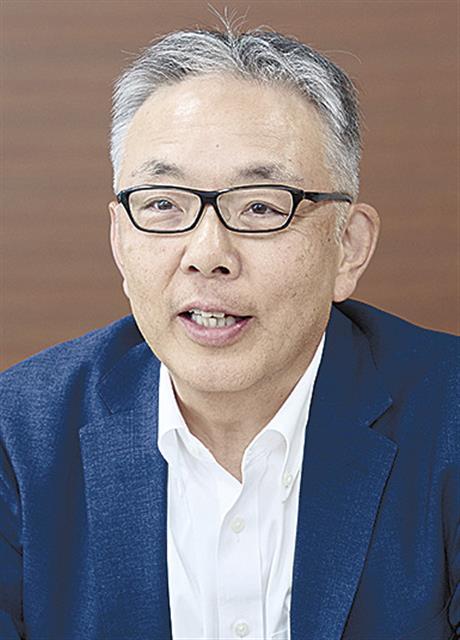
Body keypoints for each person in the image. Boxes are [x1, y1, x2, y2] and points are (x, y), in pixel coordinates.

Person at [0, 24, 458, 640]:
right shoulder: (18, 436)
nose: (207, 254)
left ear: (348, 247)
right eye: (163, 204)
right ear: (119, 240)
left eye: (261, 206)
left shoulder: (449, 417)